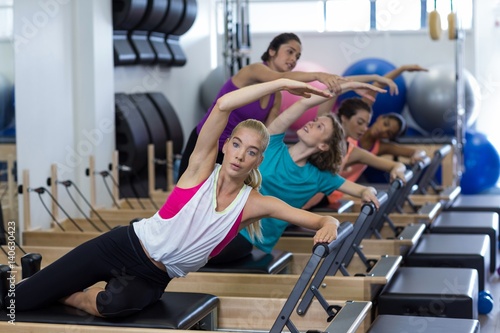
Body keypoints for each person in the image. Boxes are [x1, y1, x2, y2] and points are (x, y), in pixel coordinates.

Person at [4, 79, 341, 318]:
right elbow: (223, 104)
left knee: (110, 306)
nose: (240, 155)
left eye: (251, 152)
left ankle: (64, 292)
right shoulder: (199, 170)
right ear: (225, 146)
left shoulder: (253, 203)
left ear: (258, 160)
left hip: (154, 277)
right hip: (123, 244)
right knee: (16, 301)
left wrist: (330, 222)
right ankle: (38, 281)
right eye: (236, 144)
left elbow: (316, 219)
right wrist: (280, 82)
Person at [210, 79, 387, 263]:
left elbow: (363, 190)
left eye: (319, 127)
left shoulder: (319, 177)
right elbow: (303, 104)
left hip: (248, 239)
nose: (311, 123)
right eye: (315, 120)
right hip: (222, 217)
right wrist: (347, 86)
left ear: (323, 145)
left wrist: (369, 192)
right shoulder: (272, 145)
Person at [178, 32, 347, 178]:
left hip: (232, 152)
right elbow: (277, 80)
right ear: (272, 51)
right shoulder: (252, 71)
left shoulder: (277, 96)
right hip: (206, 142)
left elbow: (267, 132)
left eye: (297, 56)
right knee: (185, 201)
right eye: (290, 52)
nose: (293, 59)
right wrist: (318, 75)